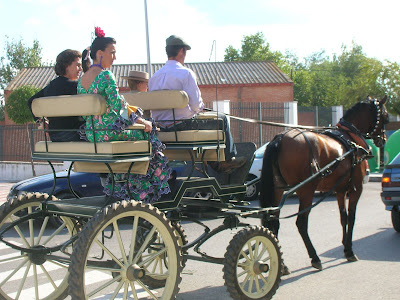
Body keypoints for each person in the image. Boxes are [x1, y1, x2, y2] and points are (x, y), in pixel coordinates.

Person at [79, 27, 170, 202]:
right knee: (149, 134)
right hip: (108, 133)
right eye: (112, 53)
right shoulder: (106, 75)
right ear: (100, 53)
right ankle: (143, 190)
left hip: (92, 133)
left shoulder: (82, 79)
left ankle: (122, 186)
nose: (115, 57)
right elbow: (118, 107)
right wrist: (143, 122)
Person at [148, 35, 246, 174]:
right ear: (181, 51)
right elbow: (196, 106)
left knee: (209, 124)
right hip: (182, 126)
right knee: (221, 119)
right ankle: (227, 160)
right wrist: (200, 108)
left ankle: (213, 161)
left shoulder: (154, 77)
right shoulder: (185, 73)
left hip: (162, 128)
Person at [28, 49, 84, 142]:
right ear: (67, 66)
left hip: (55, 136)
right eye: (78, 65)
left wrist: (41, 121)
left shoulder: (50, 86)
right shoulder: (76, 86)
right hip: (74, 134)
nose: (80, 69)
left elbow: (30, 101)